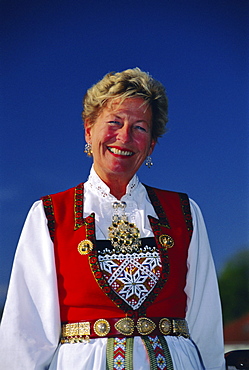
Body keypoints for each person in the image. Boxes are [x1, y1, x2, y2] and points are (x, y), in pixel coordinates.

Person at [0, 68, 226, 369]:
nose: (124, 137)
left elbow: (205, 320)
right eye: (114, 123)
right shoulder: (50, 214)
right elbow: (26, 333)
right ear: (88, 130)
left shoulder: (184, 212)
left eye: (140, 128)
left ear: (151, 145)